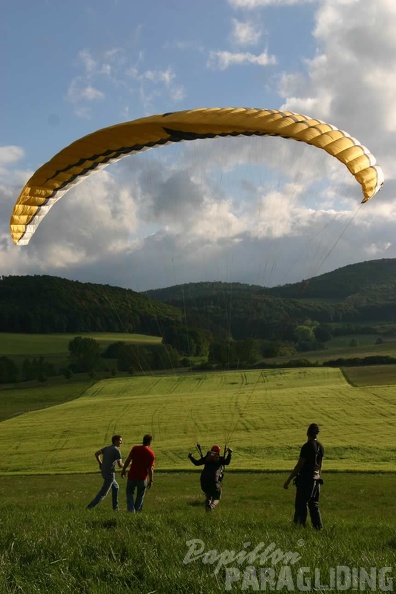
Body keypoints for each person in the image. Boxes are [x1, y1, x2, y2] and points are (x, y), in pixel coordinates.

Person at [283, 423, 324, 530]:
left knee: (301, 504)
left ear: (308, 433)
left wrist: (288, 480)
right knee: (314, 504)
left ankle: (299, 526)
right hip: (316, 480)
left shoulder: (307, 446)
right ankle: (318, 527)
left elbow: (299, 465)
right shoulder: (321, 446)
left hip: (306, 479)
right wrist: (318, 477)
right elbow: (320, 465)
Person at [188, 444, 233, 511]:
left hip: (203, 480)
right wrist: (229, 453)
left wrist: (191, 457)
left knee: (208, 494)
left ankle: (207, 508)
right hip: (213, 480)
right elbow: (227, 462)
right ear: (219, 452)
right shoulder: (220, 459)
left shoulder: (206, 458)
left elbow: (196, 463)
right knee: (217, 497)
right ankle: (211, 506)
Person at [87, 435, 124, 510]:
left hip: (104, 471)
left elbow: (97, 453)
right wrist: (129, 464)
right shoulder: (116, 450)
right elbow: (120, 465)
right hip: (110, 473)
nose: (121, 442)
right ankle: (90, 507)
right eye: (120, 440)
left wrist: (100, 463)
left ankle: (115, 508)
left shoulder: (107, 448)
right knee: (103, 493)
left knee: (116, 487)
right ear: (116, 441)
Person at [121, 434, 155, 513]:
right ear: (150, 442)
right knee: (140, 495)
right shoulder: (151, 453)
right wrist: (151, 480)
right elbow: (150, 468)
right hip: (142, 477)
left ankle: (131, 510)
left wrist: (123, 470)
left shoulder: (135, 449)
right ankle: (136, 510)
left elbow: (128, 460)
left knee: (129, 492)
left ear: (143, 440)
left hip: (132, 475)